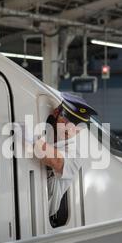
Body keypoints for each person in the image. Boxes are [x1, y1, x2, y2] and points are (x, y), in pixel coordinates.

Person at [20, 92, 97, 223]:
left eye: (78, 126)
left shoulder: (77, 152)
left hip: (43, 218)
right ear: (56, 113)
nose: (70, 129)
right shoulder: (46, 130)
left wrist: (27, 136)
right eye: (67, 120)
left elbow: (56, 160)